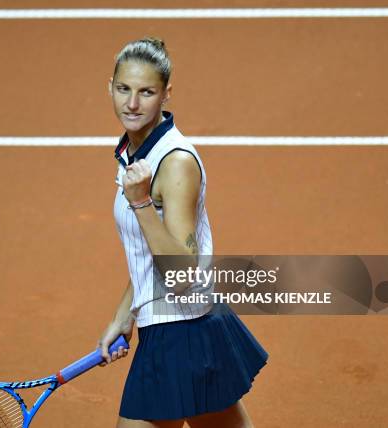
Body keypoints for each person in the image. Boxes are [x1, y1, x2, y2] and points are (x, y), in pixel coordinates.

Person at [98, 37, 269, 428]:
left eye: (147, 92)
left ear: (166, 94)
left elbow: (181, 274)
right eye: (124, 89)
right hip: (179, 325)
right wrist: (124, 315)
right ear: (109, 86)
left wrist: (141, 204)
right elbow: (147, 253)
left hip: (181, 331)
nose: (132, 104)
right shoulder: (133, 152)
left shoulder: (174, 163)